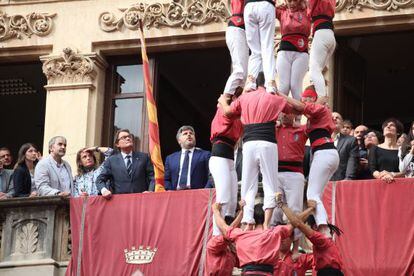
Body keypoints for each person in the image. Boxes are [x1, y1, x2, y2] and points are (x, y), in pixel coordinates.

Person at [218, 76, 295, 229]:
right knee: (270, 182)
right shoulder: (273, 97)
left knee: (247, 183)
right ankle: (266, 223)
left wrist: (222, 101)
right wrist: (277, 92)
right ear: (267, 83)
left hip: (249, 143)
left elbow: (227, 112)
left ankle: (247, 222)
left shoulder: (244, 97)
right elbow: (293, 110)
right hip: (267, 143)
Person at [278, 86, 338, 237]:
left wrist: (279, 94)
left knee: (312, 194)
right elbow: (296, 119)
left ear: (313, 99)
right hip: (325, 153)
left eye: (306, 98)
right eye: (303, 98)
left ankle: (324, 228)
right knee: (316, 193)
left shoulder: (320, 108)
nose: (303, 101)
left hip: (324, 152)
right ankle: (324, 228)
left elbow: (299, 107)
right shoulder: (313, 118)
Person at [213, 200, 315, 276]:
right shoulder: (274, 233)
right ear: (268, 218)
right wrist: (310, 209)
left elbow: (223, 227)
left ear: (251, 219)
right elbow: (295, 222)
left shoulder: (241, 235)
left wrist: (215, 210)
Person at [277, 196, 344, 276]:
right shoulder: (322, 242)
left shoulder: (321, 239)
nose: (305, 232)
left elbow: (297, 223)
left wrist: (282, 205)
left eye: (307, 227)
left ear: (315, 227)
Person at [272, 112, 308, 258]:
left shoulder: (302, 129)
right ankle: (273, 248)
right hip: (276, 173)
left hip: (295, 173)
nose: (285, 115)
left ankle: (296, 248)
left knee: (295, 211)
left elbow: (314, 119)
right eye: (283, 113)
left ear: (294, 115)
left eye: (289, 113)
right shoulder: (273, 129)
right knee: (275, 211)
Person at [210, 91, 243, 235]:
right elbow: (228, 109)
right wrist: (223, 100)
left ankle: (228, 236)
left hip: (229, 159)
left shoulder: (238, 118)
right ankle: (217, 236)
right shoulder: (223, 110)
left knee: (231, 203)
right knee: (223, 198)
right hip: (219, 157)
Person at [96, 129, 154, 198]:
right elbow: (100, 180)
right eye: (124, 137)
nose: (128, 138)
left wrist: (150, 191)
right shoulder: (111, 161)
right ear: (117, 144)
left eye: (129, 136)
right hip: (120, 202)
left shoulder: (144, 157)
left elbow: (153, 177)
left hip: (141, 201)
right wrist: (104, 191)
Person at [276, 0, 311, 100]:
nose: (291, 3)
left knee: (295, 86)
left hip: (301, 52)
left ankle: (298, 115)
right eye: (289, 0)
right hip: (284, 51)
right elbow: (266, 6)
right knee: (283, 87)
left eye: (294, 0)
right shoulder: (282, 11)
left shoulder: (308, 10)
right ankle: (280, 114)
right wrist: (276, 4)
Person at [243, 0, 277, 92]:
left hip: (249, 6)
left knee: (254, 50)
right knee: (267, 47)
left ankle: (251, 81)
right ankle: (270, 83)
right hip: (265, 5)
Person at [164, 126, 212, 190]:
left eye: (191, 133)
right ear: (179, 141)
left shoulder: (205, 155)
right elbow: (166, 180)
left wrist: (205, 191)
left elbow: (211, 176)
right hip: (175, 195)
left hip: (198, 195)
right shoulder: (170, 159)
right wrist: (170, 192)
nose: (189, 134)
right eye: (185, 134)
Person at [205, 200, 245, 276]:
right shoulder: (215, 242)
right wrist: (216, 211)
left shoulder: (232, 250)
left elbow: (241, 262)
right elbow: (227, 233)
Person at [308, 0, 336, 97]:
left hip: (321, 33)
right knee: (316, 72)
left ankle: (321, 99)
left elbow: (309, 9)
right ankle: (319, 97)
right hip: (330, 35)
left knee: (314, 70)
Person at [223, 0, 249, 95]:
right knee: (239, 71)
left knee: (244, 75)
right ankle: (224, 101)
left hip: (242, 30)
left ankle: (235, 100)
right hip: (237, 28)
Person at [368, 118, 404, 183]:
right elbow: (372, 169)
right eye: (386, 125)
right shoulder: (374, 148)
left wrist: (392, 174)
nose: (388, 126)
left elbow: (407, 170)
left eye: (392, 125)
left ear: (398, 132)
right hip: (380, 183)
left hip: (399, 183)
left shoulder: (403, 150)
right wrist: (383, 176)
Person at [331, 112, 358, 181]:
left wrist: (348, 179)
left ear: (342, 123)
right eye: (331, 117)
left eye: (337, 118)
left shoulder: (351, 140)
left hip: (340, 182)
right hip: (320, 183)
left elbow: (352, 161)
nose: (334, 119)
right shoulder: (319, 139)